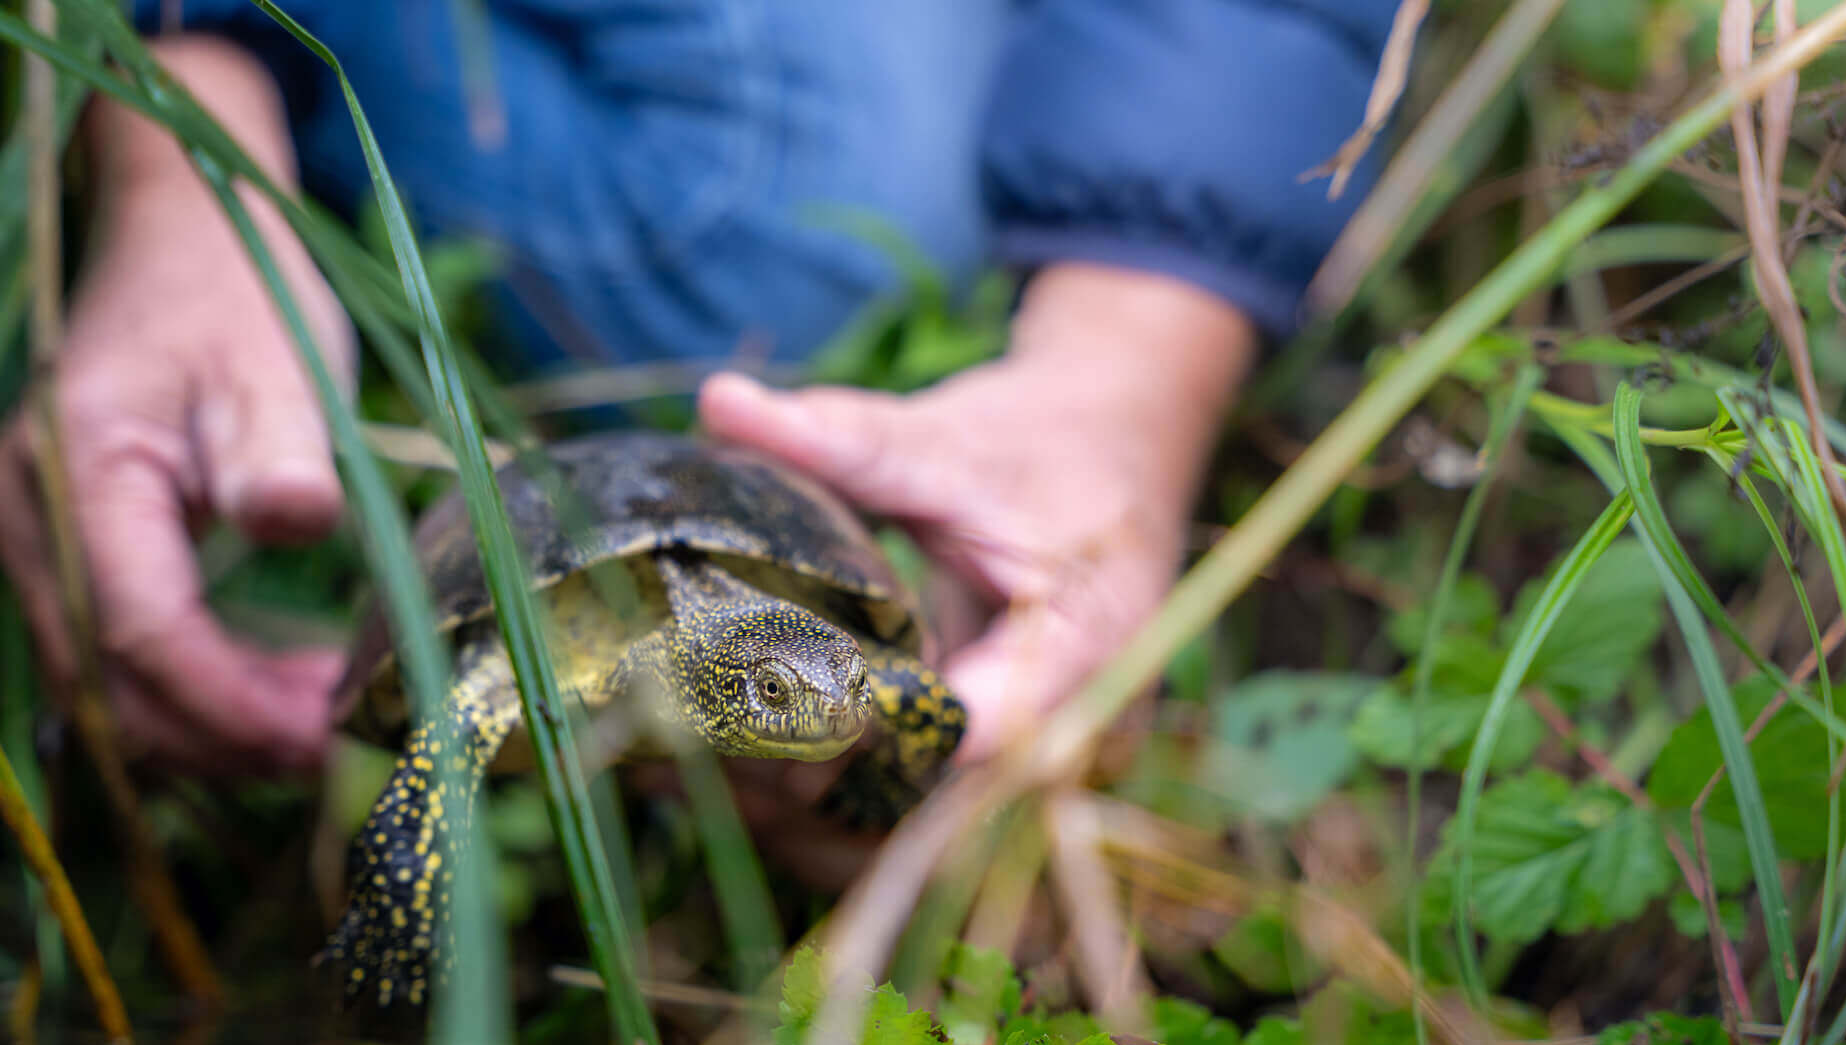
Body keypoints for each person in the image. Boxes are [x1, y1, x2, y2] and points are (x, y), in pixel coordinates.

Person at [0, 2, 1396, 779]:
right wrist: (176, 107)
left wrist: (1124, 364)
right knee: (786, 252)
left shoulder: (801, 656)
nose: (822, 699)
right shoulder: (563, 656)